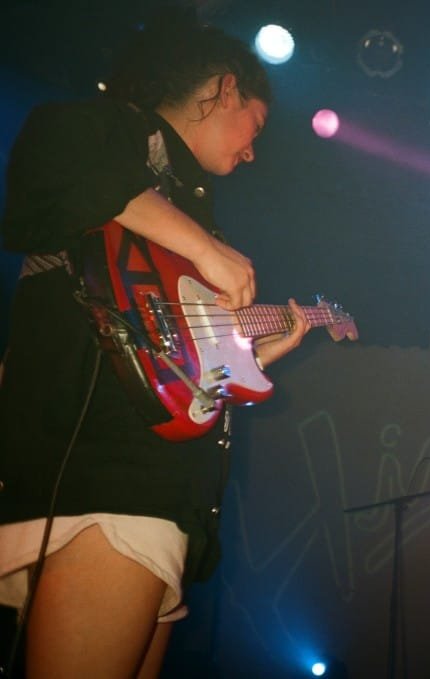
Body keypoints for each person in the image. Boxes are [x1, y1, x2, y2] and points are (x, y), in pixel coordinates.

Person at [0, 9, 311, 678]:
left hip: (157, 490)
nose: (253, 151)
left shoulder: (194, 210)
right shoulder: (103, 130)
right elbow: (57, 168)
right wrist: (210, 252)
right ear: (224, 90)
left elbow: (168, 349)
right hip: (104, 475)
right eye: (254, 126)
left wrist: (248, 358)